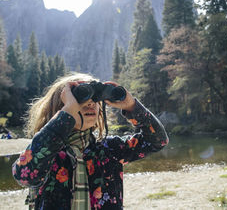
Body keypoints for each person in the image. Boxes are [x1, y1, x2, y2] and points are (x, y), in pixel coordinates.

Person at [12, 72, 169, 209]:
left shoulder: (110, 149)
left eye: (95, 98)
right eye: (80, 96)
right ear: (61, 105)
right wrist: (66, 115)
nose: (91, 103)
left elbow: (157, 141)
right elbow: (25, 176)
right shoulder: (46, 150)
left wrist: (132, 106)